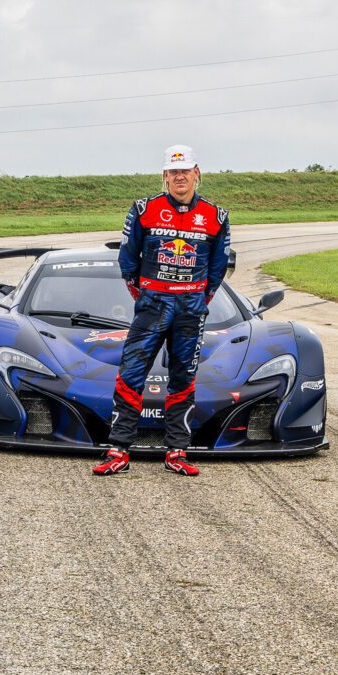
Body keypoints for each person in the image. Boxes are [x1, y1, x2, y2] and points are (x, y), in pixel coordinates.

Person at [95, 145, 231, 478]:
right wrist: (145, 295)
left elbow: (218, 266)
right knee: (131, 373)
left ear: (196, 173)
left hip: (190, 310)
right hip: (152, 306)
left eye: (185, 170)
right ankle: (118, 450)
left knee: (184, 378)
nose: (179, 176)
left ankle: (177, 451)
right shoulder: (144, 209)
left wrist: (200, 299)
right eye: (173, 171)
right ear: (164, 176)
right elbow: (128, 259)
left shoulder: (216, 217)